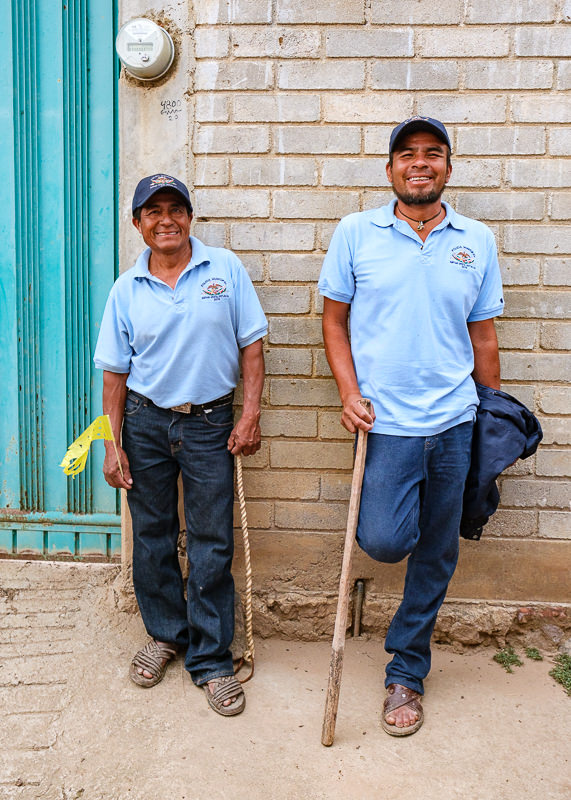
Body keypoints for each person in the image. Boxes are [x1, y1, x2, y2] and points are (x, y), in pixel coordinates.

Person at [318, 117, 504, 736]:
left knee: (439, 548)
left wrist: (492, 412)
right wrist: (349, 392)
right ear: (390, 168)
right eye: (407, 154)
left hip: (454, 419)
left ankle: (407, 670)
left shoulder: (475, 238)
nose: (419, 163)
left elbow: (482, 333)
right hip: (387, 423)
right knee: (386, 539)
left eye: (433, 154)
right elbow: (335, 322)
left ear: (448, 167)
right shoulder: (355, 233)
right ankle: (399, 627)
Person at [94, 174, 267, 716]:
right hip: (144, 423)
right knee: (151, 535)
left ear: (190, 217)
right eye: (152, 211)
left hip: (211, 423)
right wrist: (111, 443)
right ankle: (167, 634)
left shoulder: (225, 270)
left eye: (175, 208)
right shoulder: (126, 289)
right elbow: (115, 377)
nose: (165, 219)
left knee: (212, 538)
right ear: (137, 223)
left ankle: (213, 659)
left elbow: (253, 348)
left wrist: (251, 415)